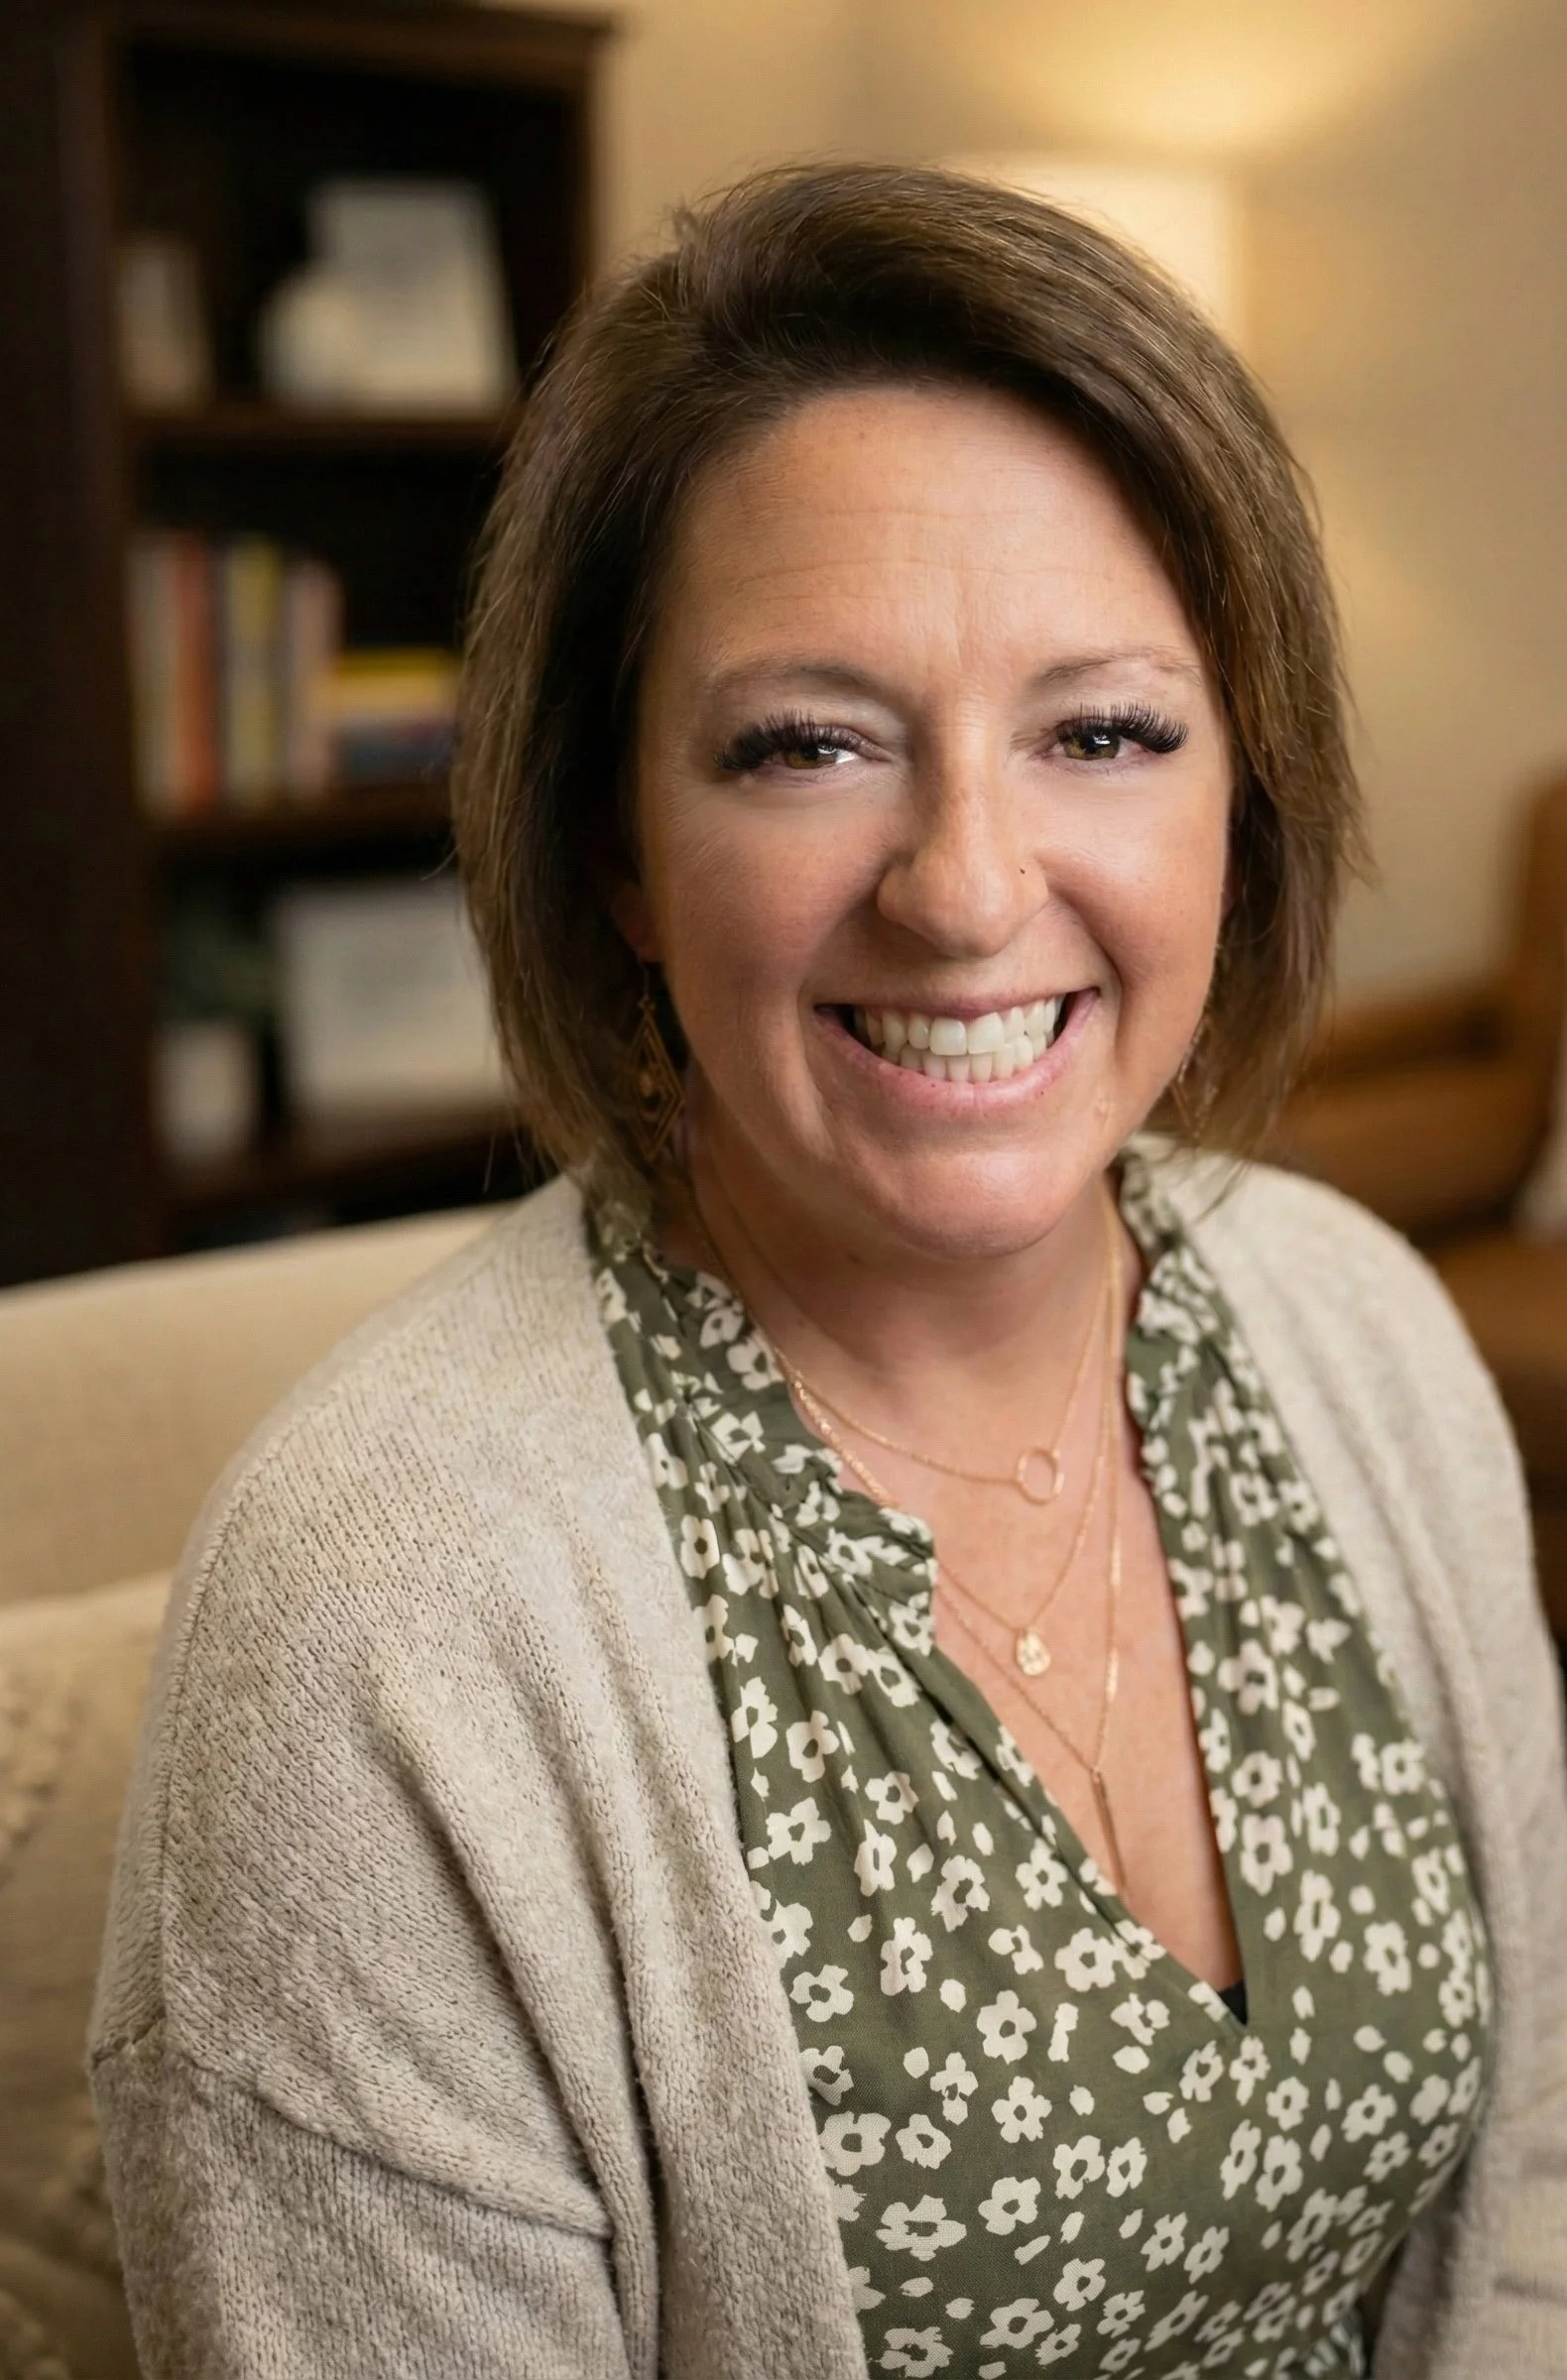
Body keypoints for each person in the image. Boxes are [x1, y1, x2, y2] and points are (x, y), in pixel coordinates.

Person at [91, 165, 1567, 2379]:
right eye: (809, 745)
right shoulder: (369, 1627)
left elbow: (1530, 2179)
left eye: (1101, 733)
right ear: (613, 847)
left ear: (1238, 796)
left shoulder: (1354, 1320)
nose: (969, 890)